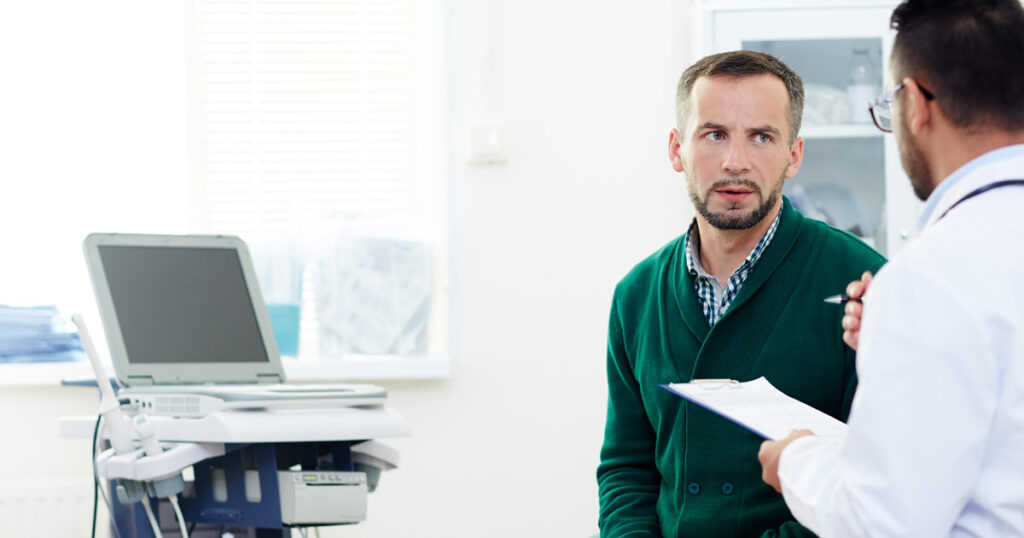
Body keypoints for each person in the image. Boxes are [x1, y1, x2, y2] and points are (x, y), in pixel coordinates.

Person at [758, 1, 1024, 536]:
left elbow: (881, 522)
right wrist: (894, 343)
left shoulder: (931, 275)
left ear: (917, 102)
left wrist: (793, 461)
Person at [596, 50, 886, 537]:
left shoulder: (863, 284)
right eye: (714, 135)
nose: (736, 162)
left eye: (761, 137)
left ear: (793, 155)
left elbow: (876, 486)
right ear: (676, 150)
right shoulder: (637, 295)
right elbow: (627, 468)